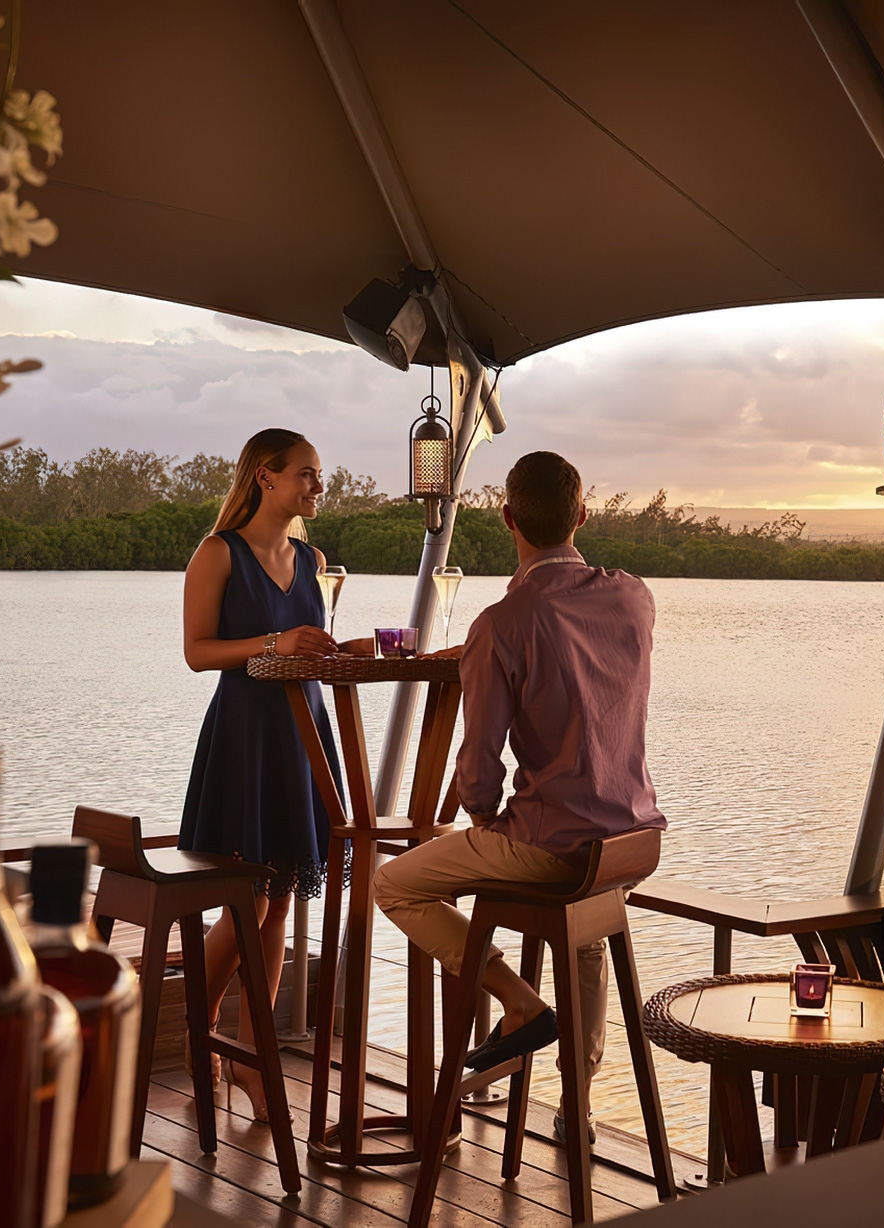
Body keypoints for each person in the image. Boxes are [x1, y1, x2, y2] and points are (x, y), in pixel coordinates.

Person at [376, 450, 667, 1141]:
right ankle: (579, 1109)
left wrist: (484, 821)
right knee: (587, 937)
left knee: (394, 885)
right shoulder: (635, 597)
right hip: (630, 844)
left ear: (507, 517)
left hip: (554, 850)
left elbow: (479, 772)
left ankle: (521, 1004)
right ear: (583, 515)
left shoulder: (501, 624)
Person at [179, 428, 369, 1119]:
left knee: (282, 899)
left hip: (303, 739)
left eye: (320, 476)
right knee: (248, 898)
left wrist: (339, 650)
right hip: (245, 740)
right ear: (265, 477)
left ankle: (253, 1061)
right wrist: (274, 643)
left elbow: (301, 653)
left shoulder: (312, 558)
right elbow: (198, 652)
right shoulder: (217, 553)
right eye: (307, 476)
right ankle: (177, 1028)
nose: (318, 487)